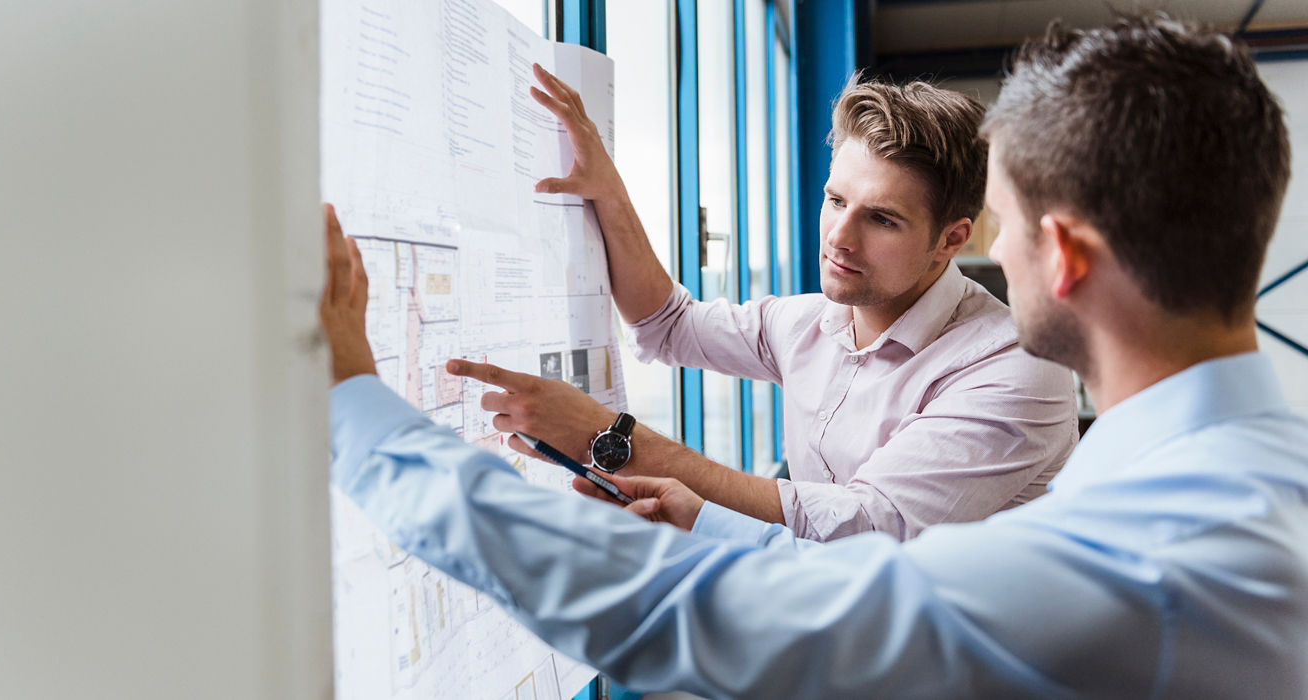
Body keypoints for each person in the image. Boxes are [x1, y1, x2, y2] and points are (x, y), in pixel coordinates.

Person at [325, 15, 1308, 696]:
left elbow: (716, 610)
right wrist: (704, 517)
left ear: (1063, 257)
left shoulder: (1136, 551)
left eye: (1002, 226)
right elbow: (672, 325)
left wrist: (363, 413)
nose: (996, 255)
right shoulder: (1232, 478)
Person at [446, 67, 1079, 542]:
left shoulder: (1016, 367)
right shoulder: (806, 323)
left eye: (882, 219)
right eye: (836, 201)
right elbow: (669, 324)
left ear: (951, 240)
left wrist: (605, 437)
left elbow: (868, 525)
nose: (839, 237)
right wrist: (609, 193)